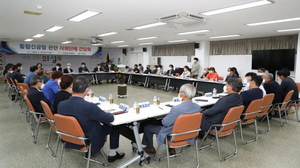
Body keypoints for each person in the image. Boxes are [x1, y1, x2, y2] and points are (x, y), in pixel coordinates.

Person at [57, 76, 125, 162]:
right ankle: (113, 154)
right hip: (87, 137)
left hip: (69, 137)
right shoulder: (90, 107)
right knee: (114, 128)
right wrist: (103, 112)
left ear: (72, 87)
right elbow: (110, 118)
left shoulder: (61, 104)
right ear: (86, 90)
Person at [142, 83, 201, 154]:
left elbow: (165, 123)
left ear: (182, 94)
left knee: (147, 127)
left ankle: (150, 148)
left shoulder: (176, 109)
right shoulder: (198, 107)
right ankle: (171, 149)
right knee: (176, 124)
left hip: (174, 134)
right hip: (188, 133)